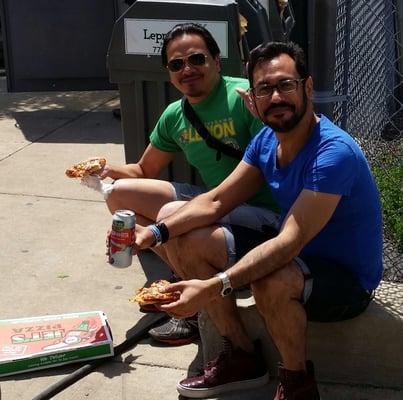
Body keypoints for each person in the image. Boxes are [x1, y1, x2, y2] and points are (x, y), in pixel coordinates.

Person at [134, 41, 383, 399]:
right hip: (298, 256)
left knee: (272, 278)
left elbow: (288, 243)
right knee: (184, 230)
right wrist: (154, 234)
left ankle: (298, 384)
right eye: (265, 88)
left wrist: (214, 284)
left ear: (307, 87)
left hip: (345, 282)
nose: (276, 97)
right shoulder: (267, 139)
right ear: (253, 97)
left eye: (285, 85)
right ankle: (242, 356)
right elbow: (217, 200)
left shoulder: (333, 153)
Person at [100, 23, 279, 345]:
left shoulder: (244, 98)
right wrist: (105, 169)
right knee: (120, 194)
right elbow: (144, 169)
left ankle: (197, 308)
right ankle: (185, 279)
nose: (188, 69)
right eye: (176, 64)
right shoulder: (175, 115)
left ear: (217, 61)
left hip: (263, 211)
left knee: (172, 213)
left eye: (197, 59)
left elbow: (269, 168)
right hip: (214, 200)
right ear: (169, 73)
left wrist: (170, 224)